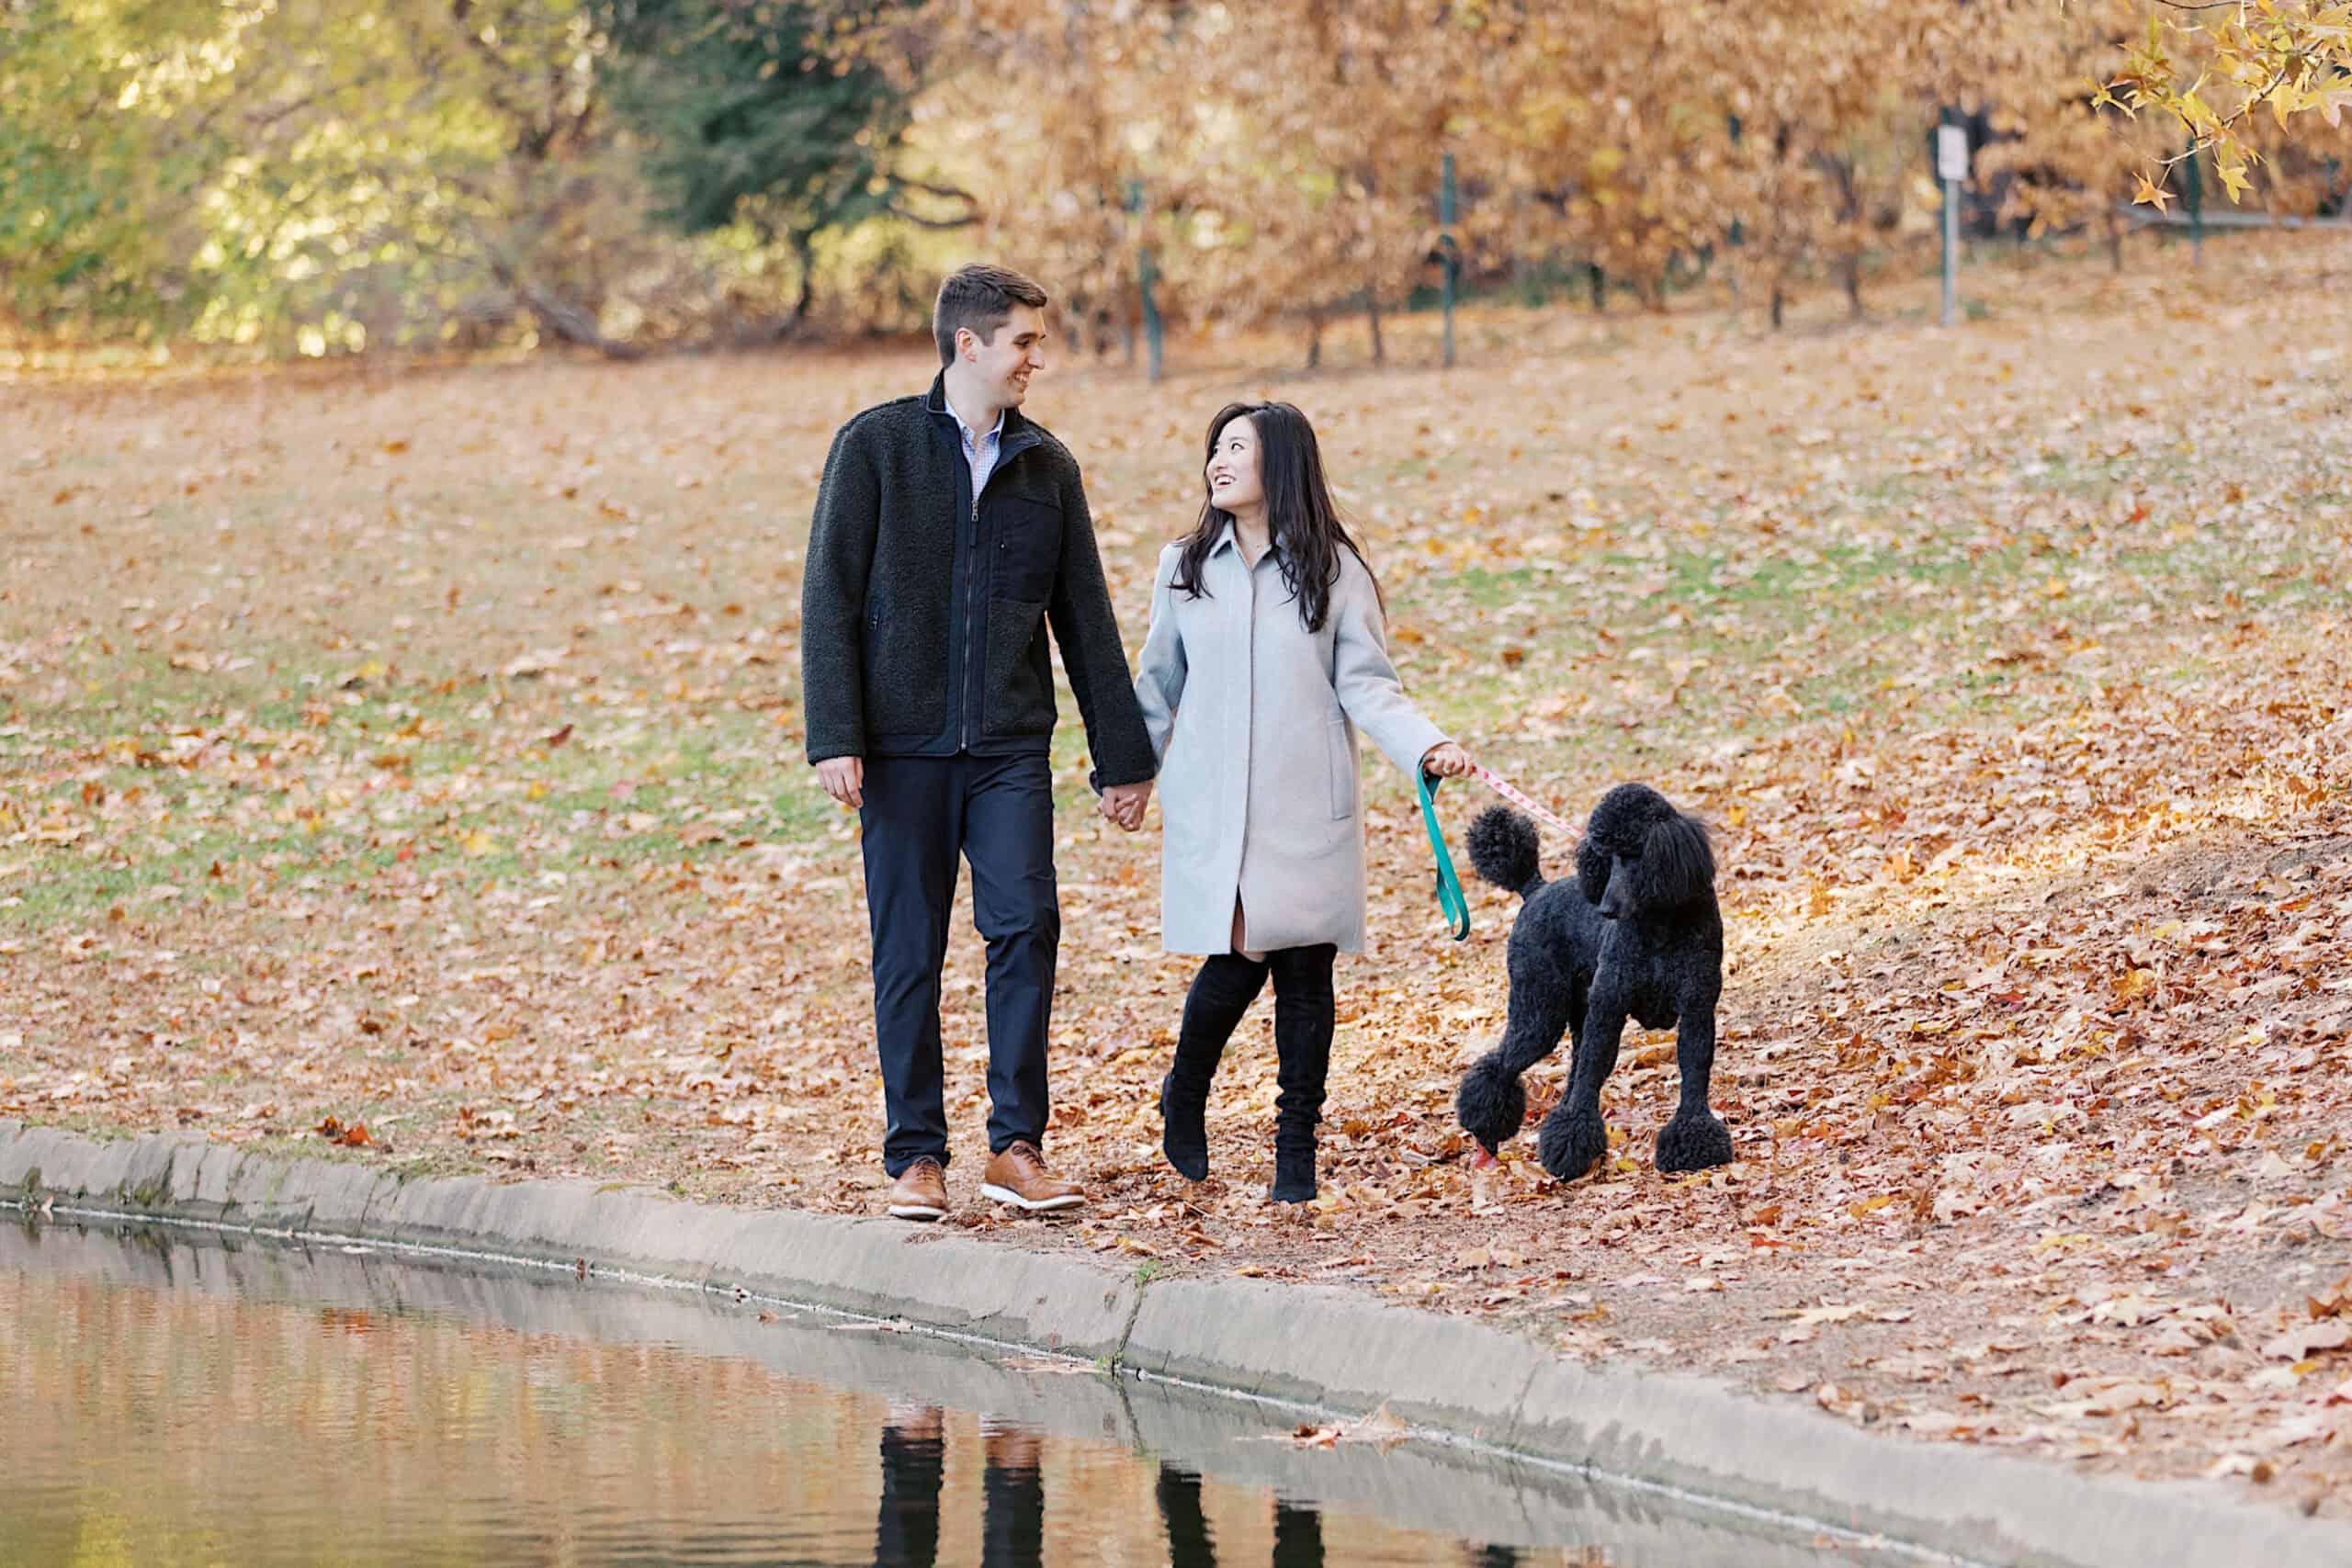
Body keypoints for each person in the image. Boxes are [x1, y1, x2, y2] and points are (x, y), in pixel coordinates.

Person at [801, 263, 1155, 1223]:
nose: (1038, 358)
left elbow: (1085, 619)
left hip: (1007, 748)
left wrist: (1123, 760)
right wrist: (834, 733)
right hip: (901, 748)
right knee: (907, 950)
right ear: (969, 344)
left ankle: (1015, 1147)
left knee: (1025, 929)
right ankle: (916, 1157)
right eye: (1024, 342)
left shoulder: (1047, 466)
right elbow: (828, 598)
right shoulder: (874, 447)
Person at [1127, 401, 1472, 1203]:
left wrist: (1426, 744)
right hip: (1218, 801)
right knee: (1241, 948)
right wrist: (1130, 773)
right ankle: (1185, 1089)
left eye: (1237, 448)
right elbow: (1157, 681)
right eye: (1214, 446)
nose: (1218, 460)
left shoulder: (1332, 570)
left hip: (1303, 798)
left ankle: (1296, 1155)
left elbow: (1368, 684)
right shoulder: (1184, 565)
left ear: (1278, 464)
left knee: (1307, 967)